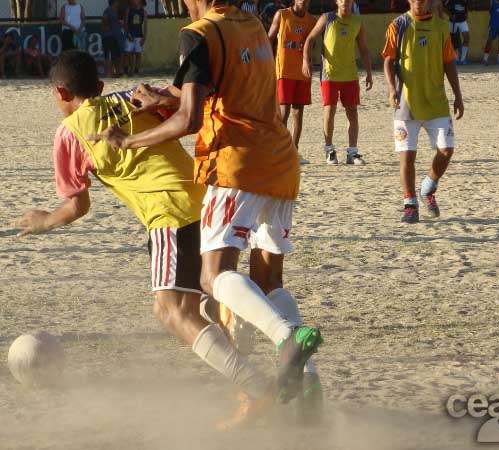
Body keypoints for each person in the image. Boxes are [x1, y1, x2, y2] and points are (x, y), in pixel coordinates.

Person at [89, 0, 325, 428]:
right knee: (269, 281)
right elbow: (217, 84)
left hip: (237, 163)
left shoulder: (198, 33)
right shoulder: (249, 22)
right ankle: (308, 380)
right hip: (281, 160)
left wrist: (127, 142)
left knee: (212, 276)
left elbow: (190, 119)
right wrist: (161, 96)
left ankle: (286, 340)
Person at [16, 50, 277, 429]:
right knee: (199, 306)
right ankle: (259, 384)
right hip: (208, 200)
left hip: (169, 215)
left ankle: (256, 386)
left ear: (59, 93)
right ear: (100, 86)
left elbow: (76, 206)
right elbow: (183, 114)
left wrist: (45, 221)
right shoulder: (131, 98)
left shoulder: (69, 134)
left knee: (170, 311)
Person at [382, 0, 464, 223]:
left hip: (436, 102)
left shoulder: (441, 27)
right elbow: (388, 61)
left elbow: (449, 63)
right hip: (406, 104)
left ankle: (428, 187)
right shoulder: (397, 25)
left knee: (447, 150)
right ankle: (409, 204)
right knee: (407, 156)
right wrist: (391, 89)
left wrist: (458, 94)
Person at [303, 0, 371, 165]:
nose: (345, 3)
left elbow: (363, 48)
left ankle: (352, 153)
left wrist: (369, 72)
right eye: (342, 0)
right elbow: (310, 38)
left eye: (348, 1)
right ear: (337, 2)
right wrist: (306, 60)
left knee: (352, 112)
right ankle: (329, 150)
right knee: (329, 111)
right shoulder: (327, 18)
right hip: (329, 74)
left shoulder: (357, 22)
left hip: (350, 74)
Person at [269, 0, 316, 159]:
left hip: (302, 72)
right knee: (284, 112)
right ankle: (279, 149)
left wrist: (308, 55)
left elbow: (312, 45)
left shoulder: (311, 21)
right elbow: (269, 39)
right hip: (284, 70)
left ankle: (294, 151)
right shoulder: (282, 15)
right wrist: (268, 62)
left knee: (298, 112)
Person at [124, 0, 147, 76]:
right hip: (130, 35)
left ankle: (136, 71)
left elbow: (145, 25)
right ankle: (126, 71)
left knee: (138, 54)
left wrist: (144, 37)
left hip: (139, 35)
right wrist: (128, 34)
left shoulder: (143, 11)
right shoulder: (129, 10)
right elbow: (125, 23)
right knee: (128, 53)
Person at [102, 0, 124, 77]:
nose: (119, 3)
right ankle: (109, 73)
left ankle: (116, 72)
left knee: (116, 55)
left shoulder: (117, 11)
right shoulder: (108, 10)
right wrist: (107, 26)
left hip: (115, 36)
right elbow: (105, 19)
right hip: (109, 36)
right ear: (114, 2)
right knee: (110, 56)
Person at [482, 0, 499, 64]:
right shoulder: (491, 1)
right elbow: (490, 11)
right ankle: (485, 59)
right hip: (493, 24)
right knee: (489, 41)